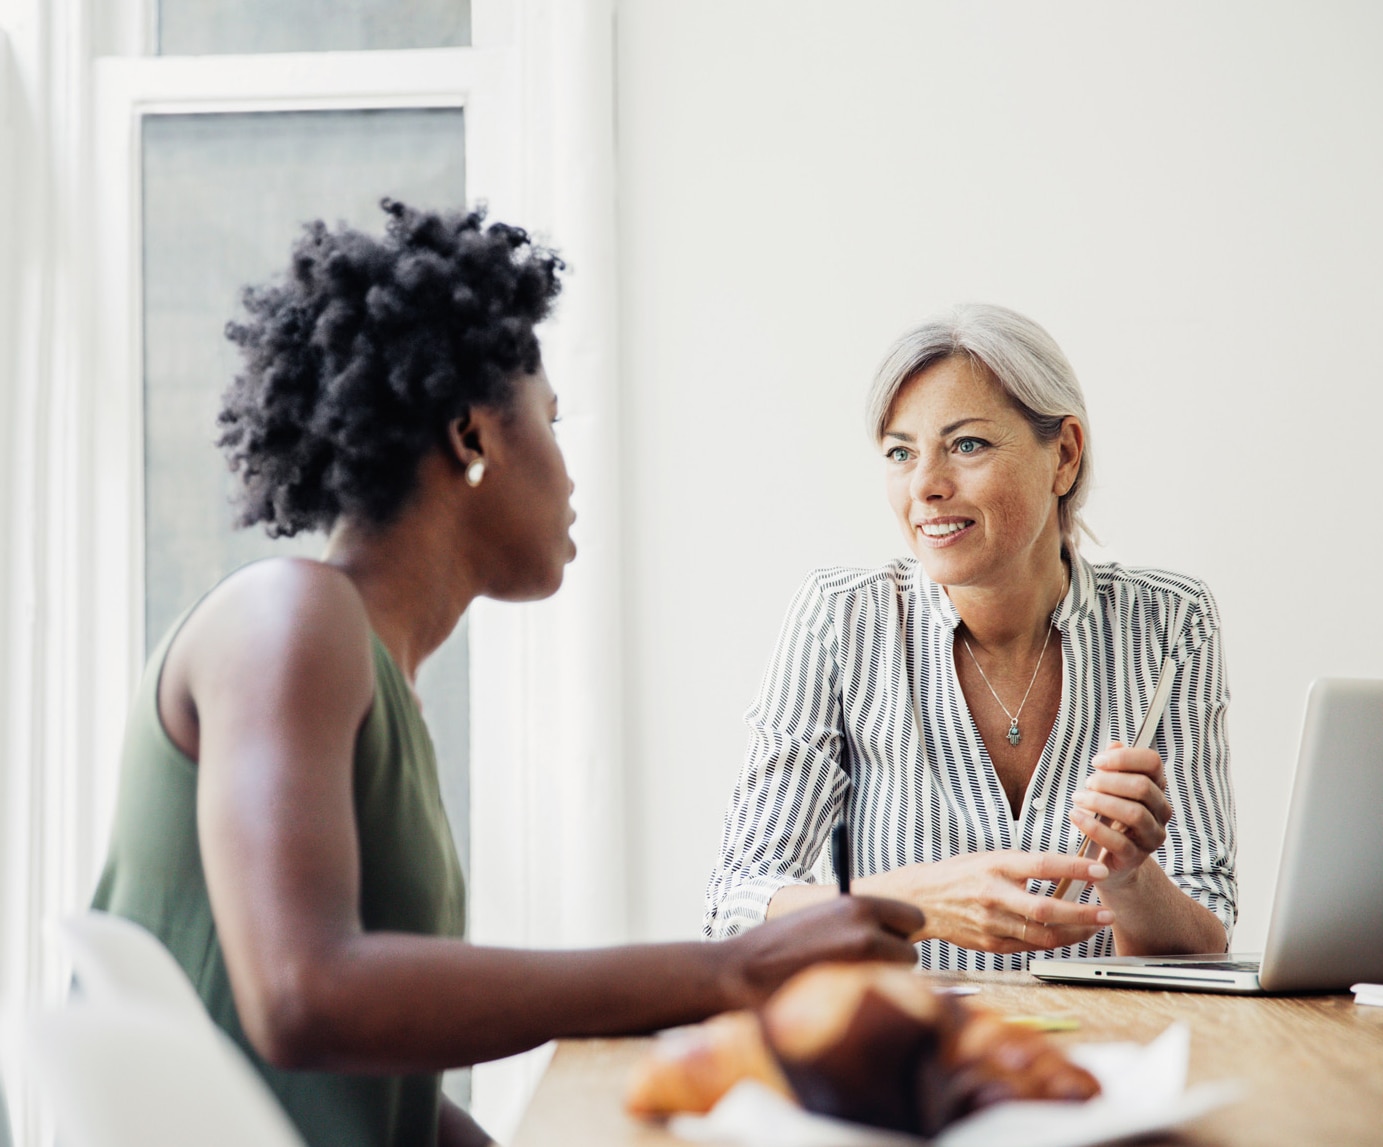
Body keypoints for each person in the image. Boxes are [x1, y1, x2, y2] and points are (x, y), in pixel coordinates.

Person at [90, 201, 925, 1147]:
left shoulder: (367, 672)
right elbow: (304, 995)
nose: (570, 474)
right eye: (552, 421)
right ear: (472, 434)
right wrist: (725, 968)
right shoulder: (289, 616)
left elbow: (385, 1098)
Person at [703, 303, 1236, 971]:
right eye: (900, 452)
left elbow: (1205, 942)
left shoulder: (1169, 623)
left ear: (1063, 456)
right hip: (914, 1059)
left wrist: (1130, 879)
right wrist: (917, 900)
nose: (924, 485)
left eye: (966, 445)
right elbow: (734, 911)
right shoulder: (839, 621)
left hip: (1110, 1058)